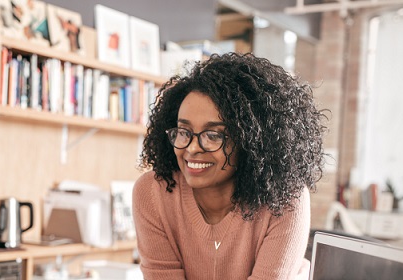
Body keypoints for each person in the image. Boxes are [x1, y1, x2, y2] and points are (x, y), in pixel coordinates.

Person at [134, 53, 325, 279]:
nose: (192, 148)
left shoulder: (285, 198)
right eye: (184, 132)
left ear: (251, 141)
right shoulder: (153, 192)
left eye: (213, 135)